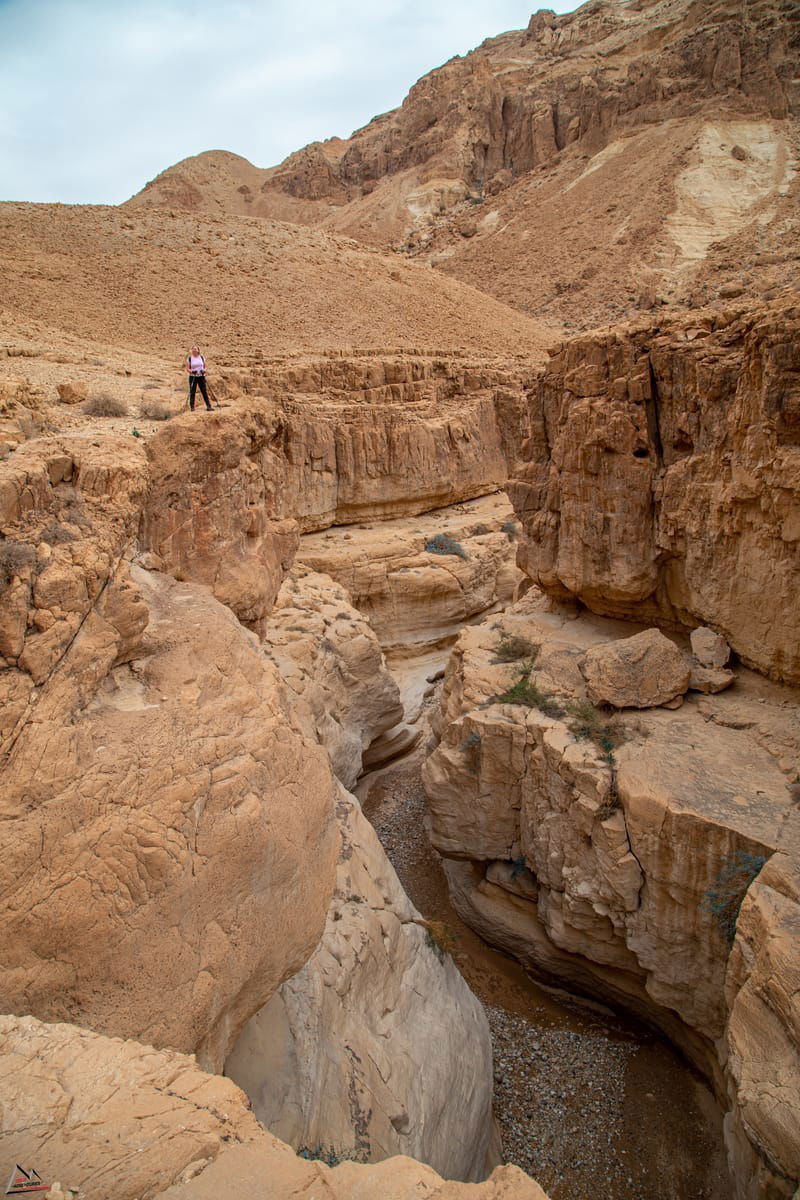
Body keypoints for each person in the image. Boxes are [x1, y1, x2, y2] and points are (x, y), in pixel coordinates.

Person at [186, 345, 213, 411]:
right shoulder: (189, 358)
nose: (194, 350)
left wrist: (204, 370)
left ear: (198, 350)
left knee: (204, 391)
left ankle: (208, 406)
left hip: (201, 376)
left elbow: (205, 367)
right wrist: (192, 371)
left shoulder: (202, 357)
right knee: (192, 392)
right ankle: (192, 407)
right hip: (193, 376)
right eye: (193, 349)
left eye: (196, 349)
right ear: (191, 350)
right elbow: (187, 369)